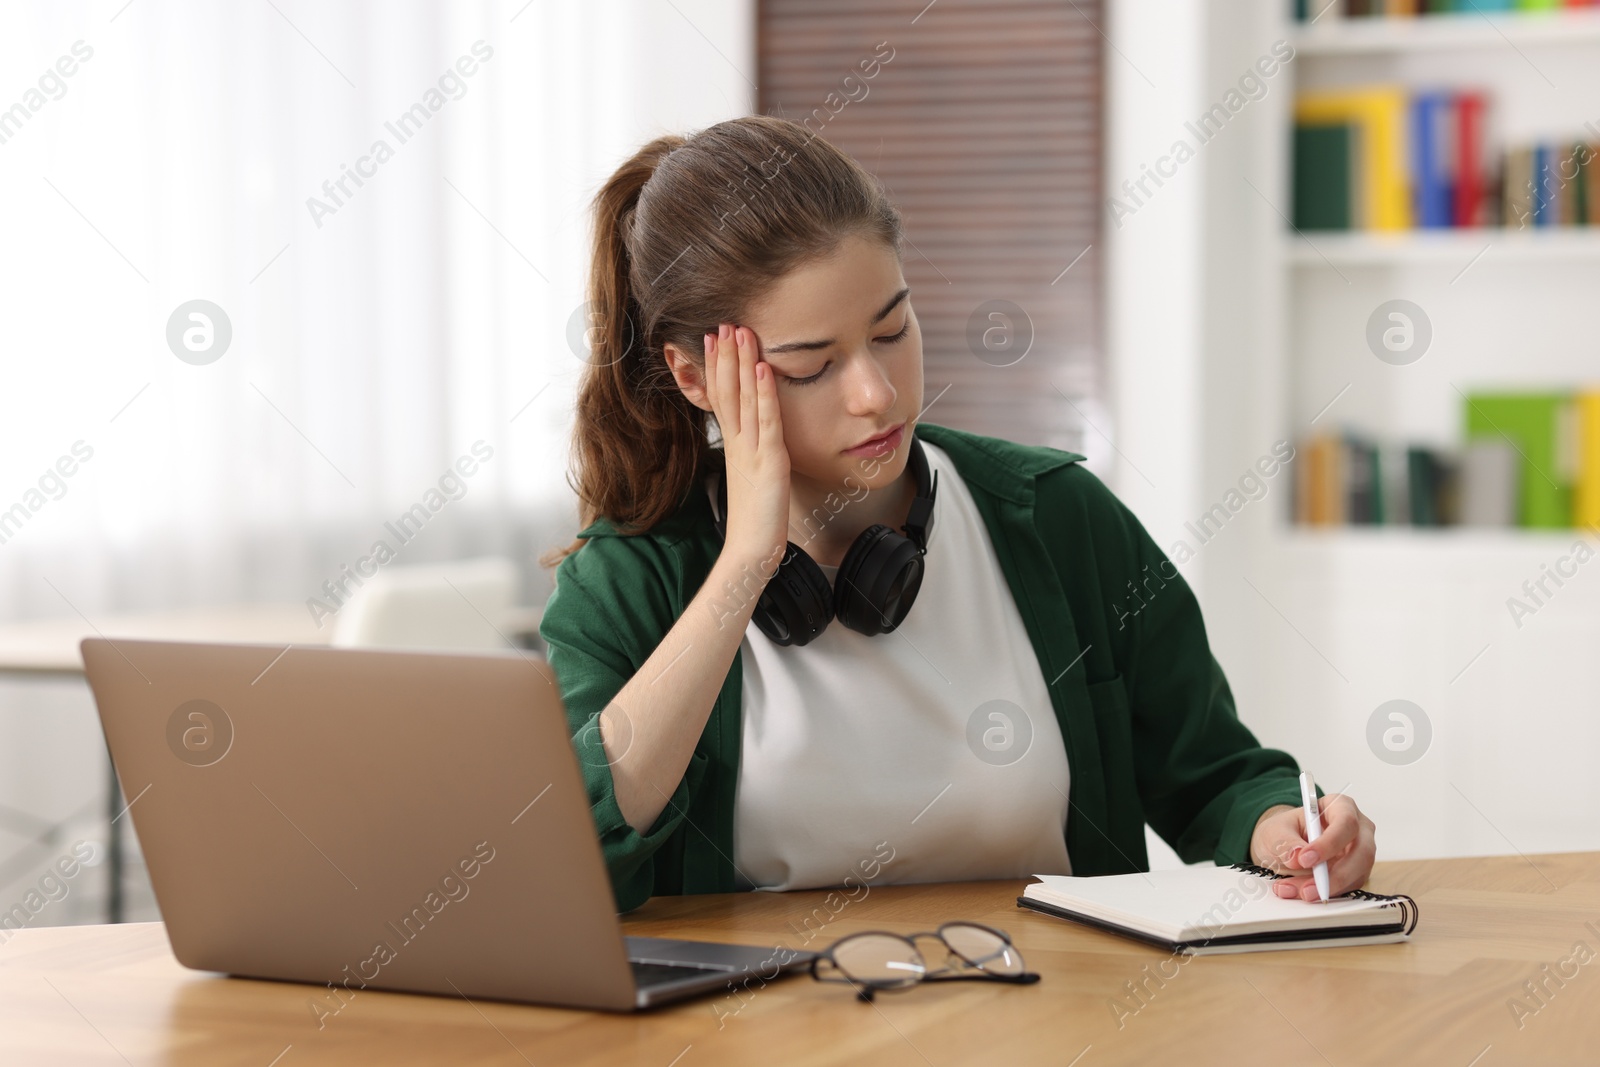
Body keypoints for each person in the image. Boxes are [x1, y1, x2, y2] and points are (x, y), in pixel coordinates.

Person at [538, 115, 1376, 914]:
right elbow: (567, 866)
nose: (876, 392)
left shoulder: (1058, 520)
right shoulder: (627, 580)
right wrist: (745, 565)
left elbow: (1215, 775)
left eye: (892, 329)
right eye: (811, 366)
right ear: (695, 379)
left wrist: (1286, 832)